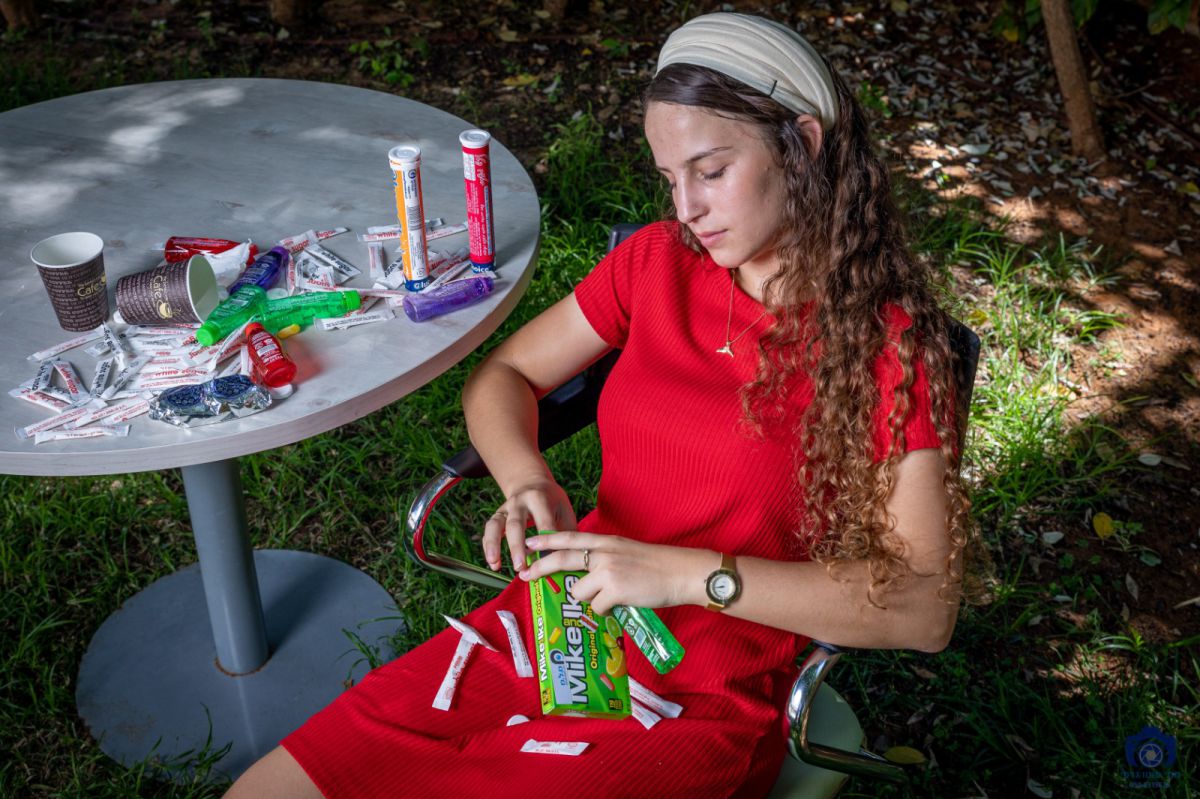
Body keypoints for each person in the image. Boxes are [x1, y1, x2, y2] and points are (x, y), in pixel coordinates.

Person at [227, 11, 983, 798]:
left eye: (711, 171)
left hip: (704, 694)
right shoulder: (657, 263)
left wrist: (688, 576)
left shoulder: (890, 347)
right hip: (558, 629)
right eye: (671, 179)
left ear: (804, 143)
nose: (686, 208)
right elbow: (504, 374)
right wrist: (526, 478)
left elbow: (923, 608)